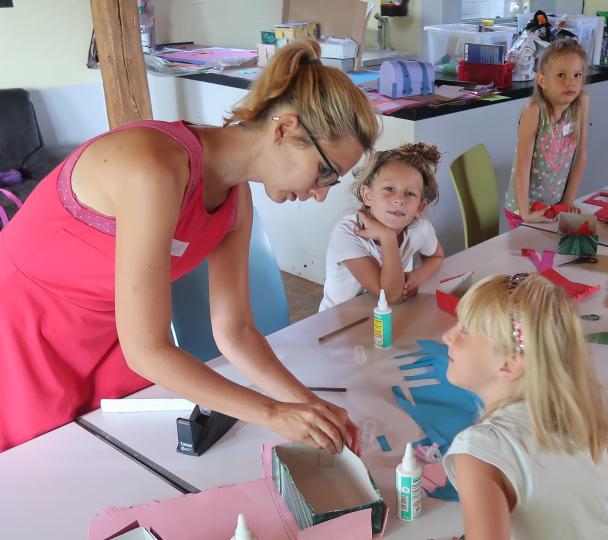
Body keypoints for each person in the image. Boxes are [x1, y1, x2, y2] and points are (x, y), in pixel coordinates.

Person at [0, 40, 379, 452]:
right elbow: (146, 350)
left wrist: (308, 407)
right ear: (284, 129)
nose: (320, 194)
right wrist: (272, 413)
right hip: (23, 336)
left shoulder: (236, 198)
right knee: (37, 468)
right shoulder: (153, 169)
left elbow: (235, 330)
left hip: (106, 337)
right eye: (325, 172)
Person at [441, 273, 608, 539]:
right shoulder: (577, 414)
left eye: (465, 330)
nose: (446, 336)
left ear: (510, 363)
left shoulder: (478, 452)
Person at [319, 143, 444, 310]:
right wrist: (388, 237)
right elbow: (392, 296)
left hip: (383, 316)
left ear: (420, 208)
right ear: (368, 195)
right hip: (337, 320)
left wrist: (417, 276)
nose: (399, 199)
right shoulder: (348, 232)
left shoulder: (419, 228)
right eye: (389, 189)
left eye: (409, 193)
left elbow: (436, 257)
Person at [504, 38, 590, 228]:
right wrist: (526, 214)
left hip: (554, 207)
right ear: (542, 80)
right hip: (523, 209)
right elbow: (522, 166)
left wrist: (567, 202)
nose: (570, 82)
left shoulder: (581, 103)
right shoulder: (534, 110)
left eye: (577, 75)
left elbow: (581, 155)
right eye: (561, 75)